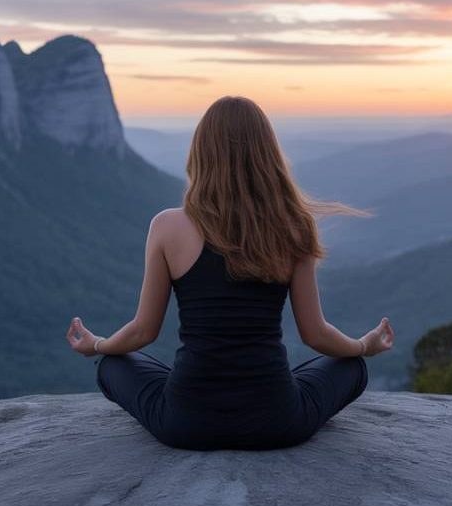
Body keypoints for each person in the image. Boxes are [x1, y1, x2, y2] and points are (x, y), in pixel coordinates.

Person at [66, 95, 395, 450]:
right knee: (351, 368)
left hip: (186, 423)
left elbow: (142, 331)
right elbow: (316, 335)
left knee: (111, 366)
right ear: (267, 155)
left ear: (200, 154)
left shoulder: (167, 226)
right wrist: (363, 346)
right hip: (277, 422)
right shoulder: (293, 226)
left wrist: (97, 345)